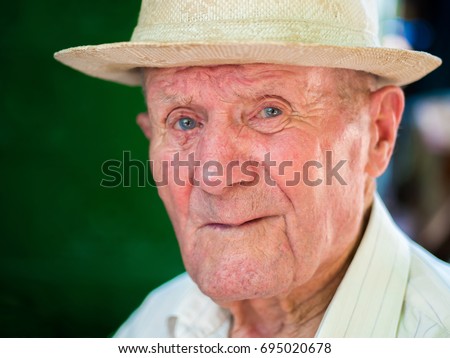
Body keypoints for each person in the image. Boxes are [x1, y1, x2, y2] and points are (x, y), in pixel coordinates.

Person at [54, 0, 450, 337]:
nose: (215, 176)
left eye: (270, 112)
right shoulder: (157, 323)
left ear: (378, 134)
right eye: (184, 122)